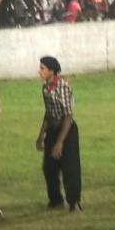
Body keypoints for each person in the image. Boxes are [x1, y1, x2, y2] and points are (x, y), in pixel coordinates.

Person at [36, 56, 82, 212]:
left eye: (42, 68)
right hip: (53, 129)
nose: (39, 71)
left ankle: (74, 202)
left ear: (51, 71)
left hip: (67, 130)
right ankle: (55, 200)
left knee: (70, 167)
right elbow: (48, 113)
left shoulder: (63, 87)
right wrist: (41, 136)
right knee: (49, 167)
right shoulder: (45, 88)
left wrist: (60, 142)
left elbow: (68, 116)